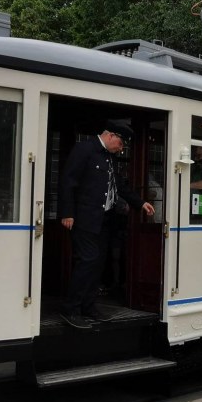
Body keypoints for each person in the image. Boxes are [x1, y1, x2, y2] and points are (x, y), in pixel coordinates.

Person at [58, 120, 155, 329]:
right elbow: (68, 180)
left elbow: (118, 185)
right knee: (88, 261)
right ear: (111, 136)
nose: (121, 149)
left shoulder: (109, 158)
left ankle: (88, 306)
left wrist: (140, 202)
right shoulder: (85, 149)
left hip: (103, 220)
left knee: (98, 263)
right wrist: (67, 212)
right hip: (84, 219)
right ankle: (71, 308)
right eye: (121, 144)